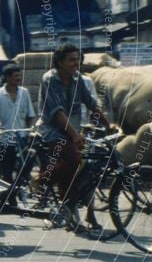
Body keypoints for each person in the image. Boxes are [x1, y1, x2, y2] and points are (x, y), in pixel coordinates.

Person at [36, 43, 113, 229]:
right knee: (73, 160)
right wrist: (75, 135)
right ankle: (40, 181)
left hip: (74, 132)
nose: (76, 63)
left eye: (78, 59)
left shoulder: (78, 79)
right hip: (53, 131)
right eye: (71, 59)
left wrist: (108, 125)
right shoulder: (49, 79)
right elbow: (57, 112)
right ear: (60, 62)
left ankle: (68, 212)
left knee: (79, 171)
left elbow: (91, 104)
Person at [0, 63, 36, 199]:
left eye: (19, 76)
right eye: (15, 76)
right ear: (7, 77)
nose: (18, 78)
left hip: (21, 138)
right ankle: (9, 196)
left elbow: (30, 116)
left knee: (28, 163)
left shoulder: (24, 93)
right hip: (5, 138)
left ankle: (16, 189)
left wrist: (29, 131)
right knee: (7, 170)